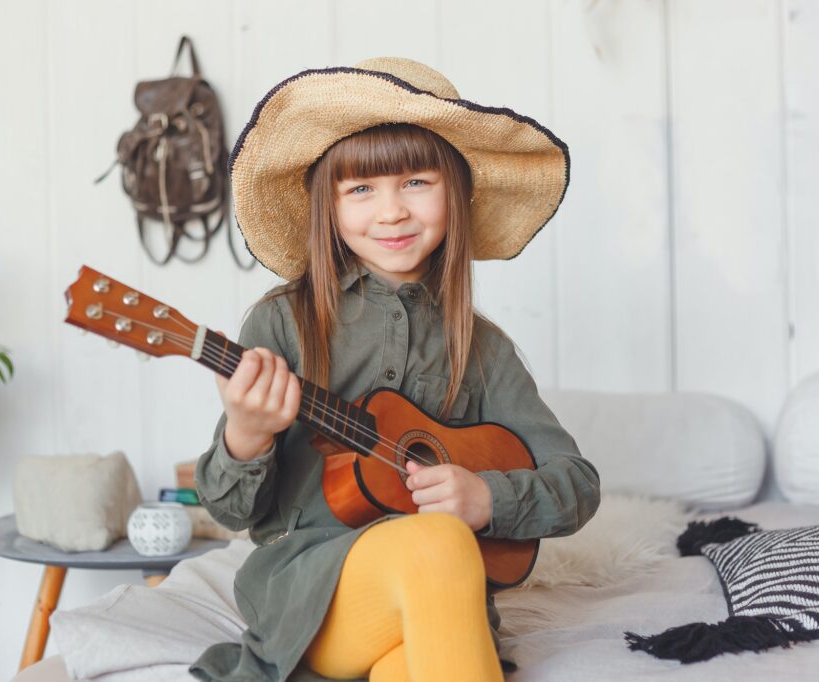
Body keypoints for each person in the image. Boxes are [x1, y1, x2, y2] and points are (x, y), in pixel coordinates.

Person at [191, 57, 601, 682]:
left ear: (457, 191)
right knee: (436, 543)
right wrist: (246, 431)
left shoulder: (482, 347)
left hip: (438, 602)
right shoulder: (280, 324)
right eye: (360, 189)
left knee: (411, 664)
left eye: (416, 182)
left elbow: (577, 483)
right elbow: (231, 512)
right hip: (314, 597)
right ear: (325, 207)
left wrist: (487, 498)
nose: (391, 213)